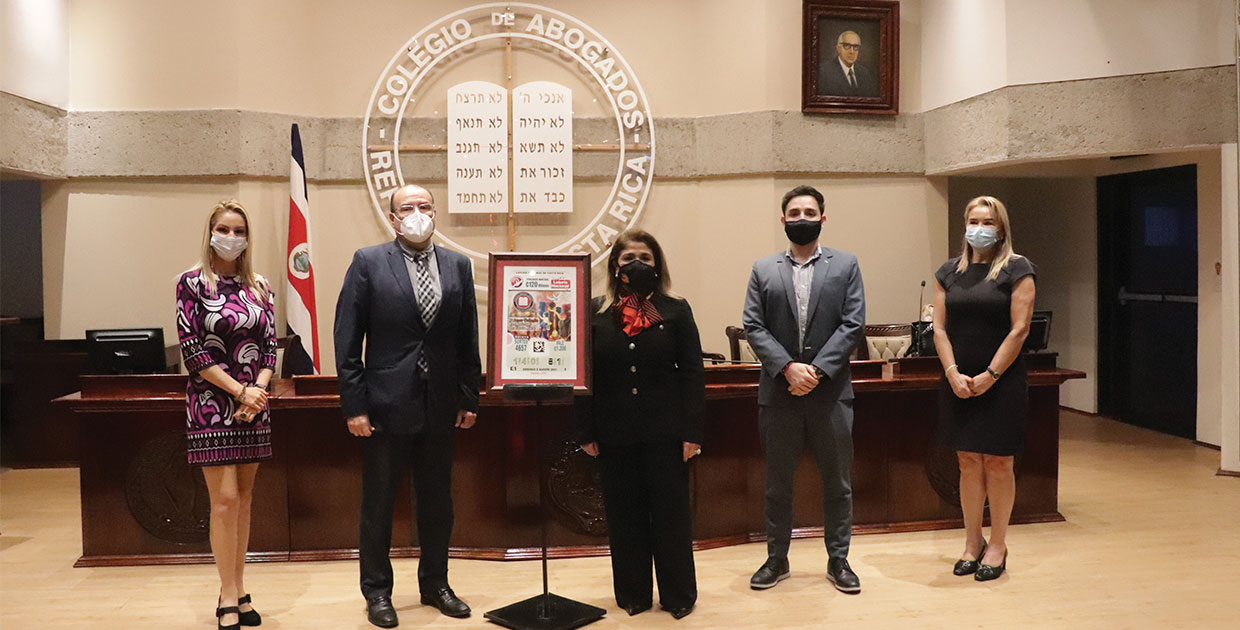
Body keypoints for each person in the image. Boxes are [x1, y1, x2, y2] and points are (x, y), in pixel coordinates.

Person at [334, 184, 481, 628]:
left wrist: (469, 395)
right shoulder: (368, 262)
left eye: (424, 206)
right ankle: (377, 592)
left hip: (440, 404)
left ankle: (436, 584)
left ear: (435, 213)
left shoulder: (458, 265)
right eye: (407, 208)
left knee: (438, 501)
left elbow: (466, 337)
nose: (417, 213)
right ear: (393, 218)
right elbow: (347, 341)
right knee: (378, 504)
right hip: (383, 406)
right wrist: (354, 406)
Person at [743, 185, 865, 593]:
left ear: (822, 218)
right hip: (778, 395)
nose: (801, 218)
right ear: (783, 220)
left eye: (809, 211)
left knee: (838, 483)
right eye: (793, 212)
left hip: (831, 395)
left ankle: (839, 560)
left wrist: (815, 371)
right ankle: (777, 559)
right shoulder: (763, 269)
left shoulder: (846, 265)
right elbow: (753, 325)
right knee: (778, 484)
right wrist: (788, 369)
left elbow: (853, 324)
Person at [577, 230, 704, 620]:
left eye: (645, 257)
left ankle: (678, 595)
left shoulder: (675, 309)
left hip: (666, 433)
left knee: (670, 515)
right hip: (614, 434)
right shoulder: (596, 312)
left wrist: (693, 432)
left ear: (657, 264)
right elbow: (585, 376)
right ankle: (632, 594)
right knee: (625, 516)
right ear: (615, 265)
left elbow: (693, 376)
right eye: (628, 256)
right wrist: (585, 431)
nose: (636, 264)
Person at [175, 199, 276, 630]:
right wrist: (239, 391)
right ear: (210, 231)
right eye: (224, 229)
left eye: (239, 231)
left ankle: (236, 586)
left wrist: (258, 392)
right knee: (225, 500)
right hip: (212, 404)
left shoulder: (260, 286)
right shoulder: (192, 283)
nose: (231, 237)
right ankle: (228, 595)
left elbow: (271, 347)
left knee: (246, 501)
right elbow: (192, 350)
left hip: (254, 406)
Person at [932, 195, 1036, 582]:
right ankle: (972, 542)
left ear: (1001, 228)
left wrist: (990, 375)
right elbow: (939, 328)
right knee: (967, 462)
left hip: (1002, 380)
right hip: (958, 380)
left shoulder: (1017, 269)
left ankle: (998, 544)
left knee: (998, 462)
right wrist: (953, 373)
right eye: (973, 220)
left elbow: (1019, 329)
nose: (980, 227)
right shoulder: (949, 272)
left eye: (988, 222)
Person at [818, 30, 877, 97]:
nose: (851, 51)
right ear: (838, 48)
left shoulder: (865, 73)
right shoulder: (823, 72)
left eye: (855, 47)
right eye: (847, 46)